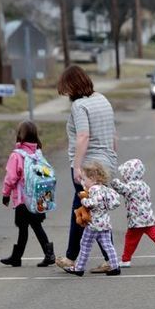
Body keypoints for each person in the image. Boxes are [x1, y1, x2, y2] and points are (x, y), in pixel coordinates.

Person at [55, 65, 118, 274]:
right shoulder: (102, 99)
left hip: (89, 166)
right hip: (107, 162)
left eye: (66, 90)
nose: (67, 95)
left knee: (82, 212)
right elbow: (113, 134)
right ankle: (104, 258)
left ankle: (73, 258)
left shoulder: (79, 106)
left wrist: (77, 166)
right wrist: (113, 158)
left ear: (72, 86)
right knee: (94, 212)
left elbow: (83, 136)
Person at [0, 120, 55, 267]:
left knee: (24, 228)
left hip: (23, 200)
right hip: (39, 198)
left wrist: (5, 194)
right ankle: (45, 253)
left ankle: (18, 257)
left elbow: (11, 178)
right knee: (35, 226)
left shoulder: (17, 156)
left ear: (20, 135)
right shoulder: (38, 154)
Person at [111, 158, 155, 267]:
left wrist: (114, 181)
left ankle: (126, 260)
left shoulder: (131, 186)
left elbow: (122, 189)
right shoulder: (145, 185)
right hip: (148, 218)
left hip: (136, 220)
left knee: (130, 239)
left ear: (129, 174)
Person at [62, 161, 121, 276]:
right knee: (108, 245)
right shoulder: (104, 189)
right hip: (105, 223)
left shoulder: (94, 189)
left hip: (93, 225)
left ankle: (79, 268)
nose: (82, 182)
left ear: (93, 178)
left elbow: (93, 203)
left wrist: (84, 201)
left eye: (84, 179)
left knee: (85, 245)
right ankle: (115, 266)